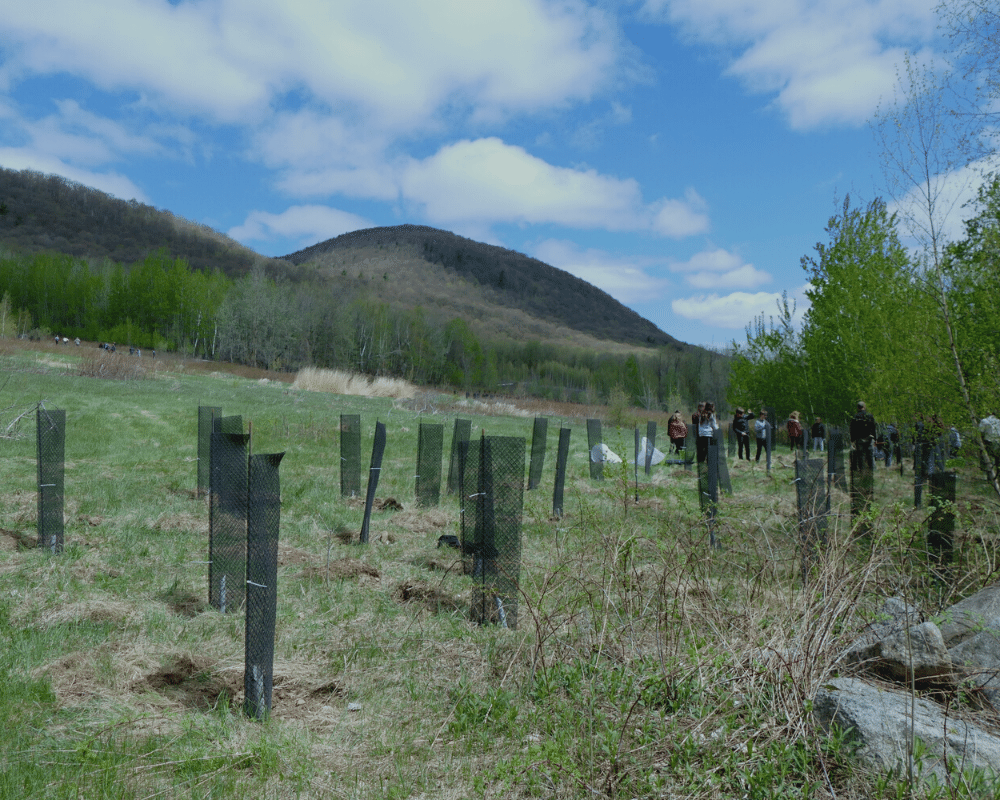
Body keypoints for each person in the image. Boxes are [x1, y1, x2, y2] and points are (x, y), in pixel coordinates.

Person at [849, 401, 877, 471]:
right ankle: (872, 470)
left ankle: (862, 470)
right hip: (869, 438)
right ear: (864, 407)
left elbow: (852, 429)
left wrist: (852, 439)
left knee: (860, 455)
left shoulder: (855, 417)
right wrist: (875, 438)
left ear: (858, 408)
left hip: (859, 439)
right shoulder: (869, 416)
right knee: (870, 455)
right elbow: (873, 427)